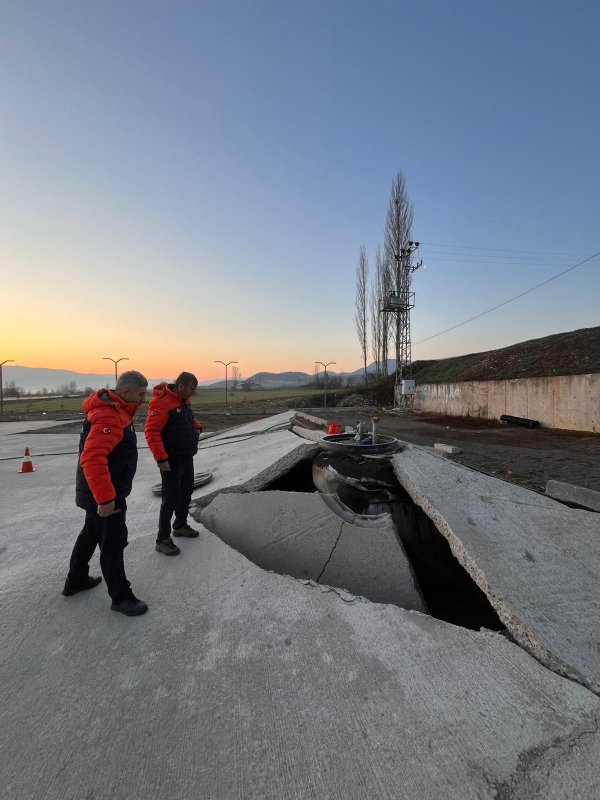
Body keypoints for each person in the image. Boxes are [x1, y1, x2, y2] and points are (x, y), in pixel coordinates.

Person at [62, 370, 149, 616]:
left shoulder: (118, 412)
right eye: (140, 394)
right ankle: (121, 597)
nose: (144, 399)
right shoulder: (109, 416)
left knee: (91, 533)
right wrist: (106, 499)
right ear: (125, 393)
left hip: (100, 490)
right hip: (104, 493)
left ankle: (75, 580)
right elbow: (92, 458)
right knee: (112, 543)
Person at [144, 371, 203, 556]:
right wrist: (161, 459)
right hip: (171, 460)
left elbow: (188, 418)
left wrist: (197, 428)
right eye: (191, 388)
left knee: (186, 491)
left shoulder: (184, 400)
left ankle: (180, 525)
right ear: (180, 386)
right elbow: (151, 432)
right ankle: (162, 539)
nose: (193, 392)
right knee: (170, 498)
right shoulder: (160, 402)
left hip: (186, 455)